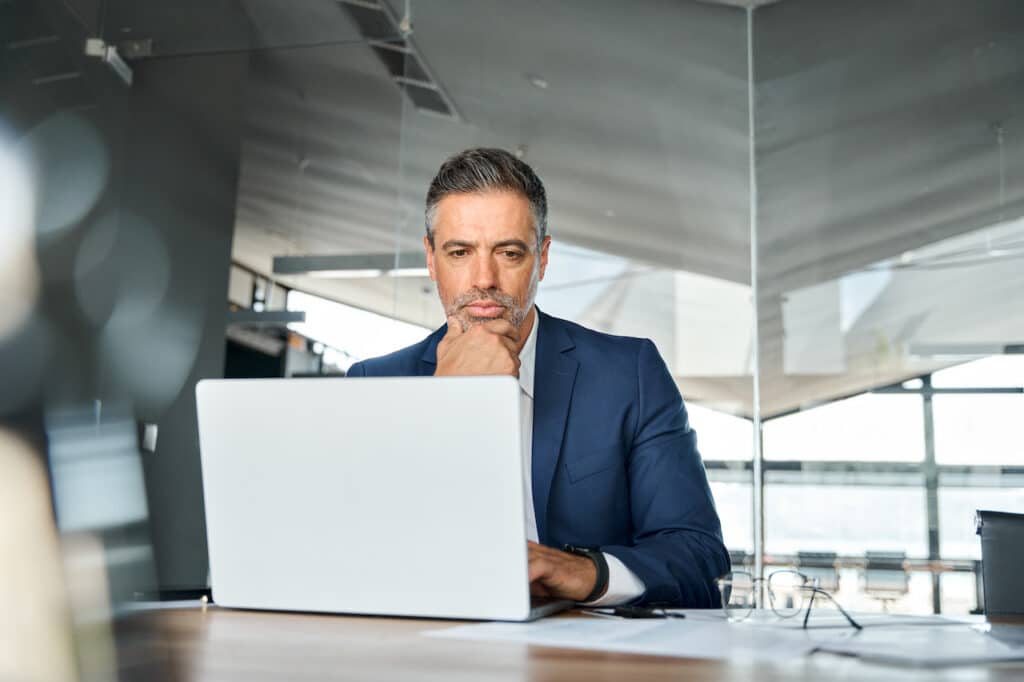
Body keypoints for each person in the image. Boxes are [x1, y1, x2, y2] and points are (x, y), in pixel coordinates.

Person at [347, 148, 729, 607]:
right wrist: (442, 405)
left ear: (542, 258)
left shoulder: (630, 375)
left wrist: (583, 572)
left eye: (508, 252)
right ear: (431, 258)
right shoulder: (376, 383)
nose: (484, 278)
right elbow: (357, 555)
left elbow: (699, 557)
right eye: (460, 252)